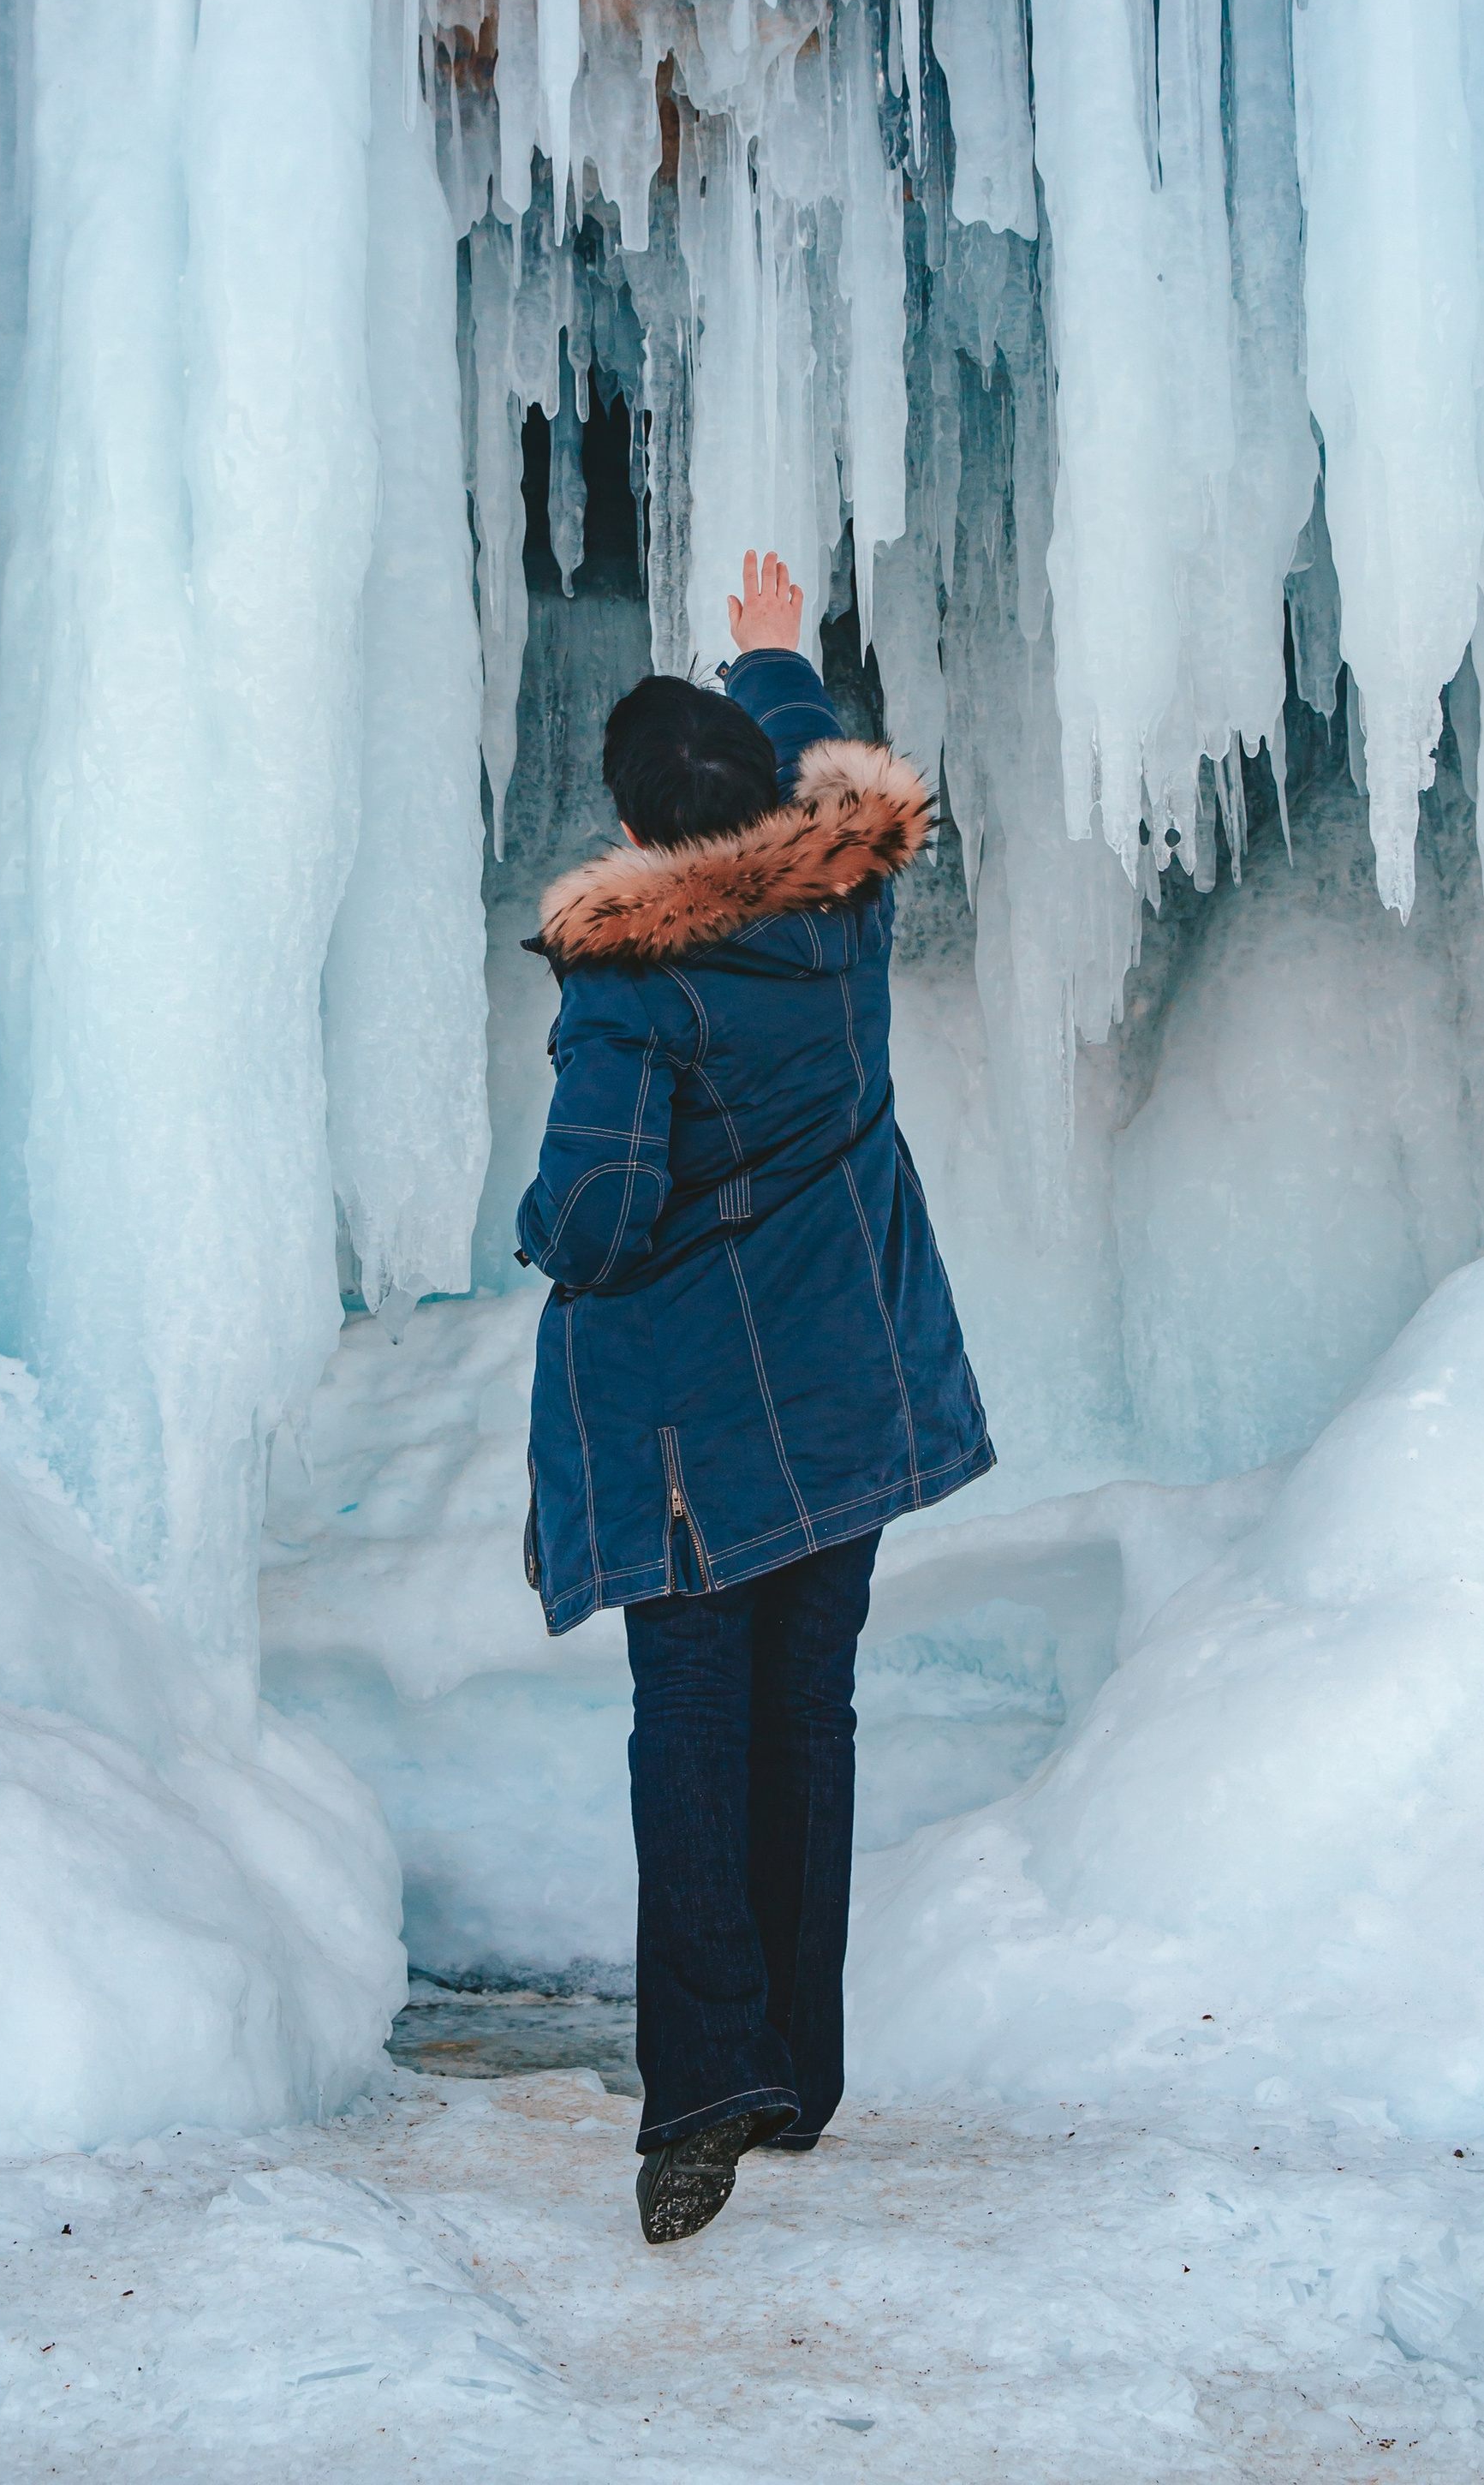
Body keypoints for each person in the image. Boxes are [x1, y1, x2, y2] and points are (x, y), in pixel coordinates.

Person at [516, 546, 994, 2246]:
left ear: (642, 835)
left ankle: (703, 2088)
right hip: (843, 1409)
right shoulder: (839, 907)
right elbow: (816, 763)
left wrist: (535, 1223)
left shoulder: (634, 985)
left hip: (690, 1442)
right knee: (808, 1724)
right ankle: (793, 2074)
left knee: (693, 1736)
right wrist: (774, 655)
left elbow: (593, 1213)